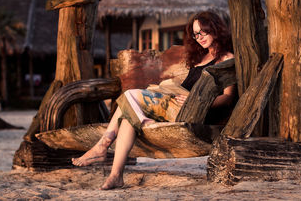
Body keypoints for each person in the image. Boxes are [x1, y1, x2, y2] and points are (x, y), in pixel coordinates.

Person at [71, 11, 237, 190]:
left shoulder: (227, 58)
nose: (199, 37)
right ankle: (116, 175)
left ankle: (102, 146)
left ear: (214, 28)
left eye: (203, 31)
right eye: (196, 34)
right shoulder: (199, 58)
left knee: (130, 95)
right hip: (176, 107)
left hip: (195, 114)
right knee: (127, 119)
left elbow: (228, 98)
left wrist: (198, 100)